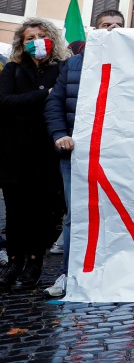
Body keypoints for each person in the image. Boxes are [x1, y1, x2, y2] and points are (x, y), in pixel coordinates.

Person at [42, 9, 124, 298]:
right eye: (106, 25)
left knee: (123, 214)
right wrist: (60, 134)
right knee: (76, 216)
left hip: (121, 156)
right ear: (95, 29)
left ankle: (119, 273)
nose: (111, 29)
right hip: (76, 156)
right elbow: (54, 104)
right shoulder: (74, 64)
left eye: (117, 26)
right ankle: (70, 275)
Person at [0, 18, 70, 292]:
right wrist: (43, 93)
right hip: (14, 152)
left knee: (42, 212)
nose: (37, 41)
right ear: (22, 42)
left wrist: (31, 99)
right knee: (16, 212)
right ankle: (14, 262)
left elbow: (62, 100)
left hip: (47, 151)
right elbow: (4, 101)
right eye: (30, 37)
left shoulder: (61, 68)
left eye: (41, 35)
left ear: (51, 38)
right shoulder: (14, 69)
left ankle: (34, 262)